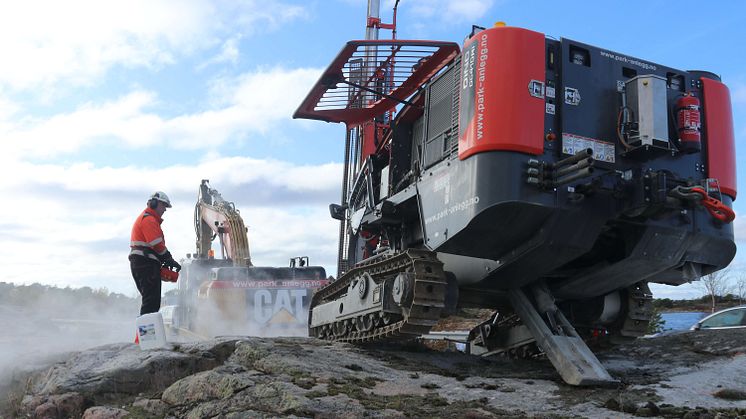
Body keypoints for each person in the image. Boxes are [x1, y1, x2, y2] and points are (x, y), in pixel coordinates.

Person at [129, 191, 181, 315]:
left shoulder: (149, 219)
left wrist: (165, 260)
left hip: (143, 262)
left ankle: (144, 334)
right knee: (151, 303)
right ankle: (147, 334)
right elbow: (156, 243)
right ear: (153, 203)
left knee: (151, 302)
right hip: (145, 262)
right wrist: (168, 258)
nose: (165, 210)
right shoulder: (149, 220)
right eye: (163, 205)